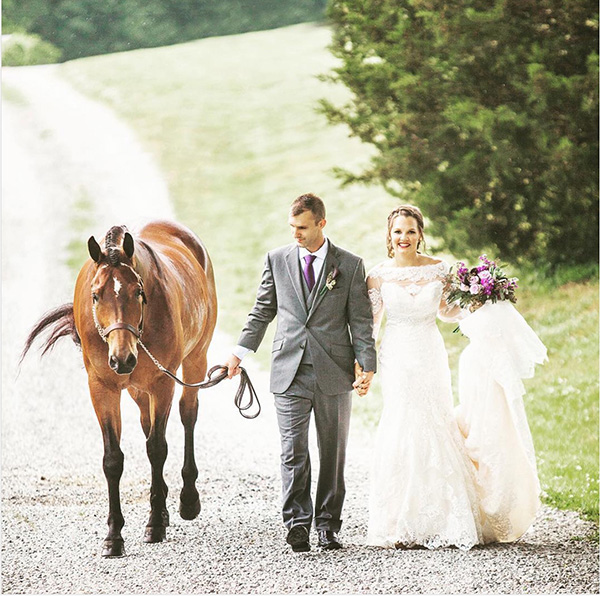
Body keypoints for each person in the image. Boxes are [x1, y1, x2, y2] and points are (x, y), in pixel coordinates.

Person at [364, 205, 545, 550]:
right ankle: (401, 518)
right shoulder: (378, 276)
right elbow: (372, 327)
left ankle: (448, 516)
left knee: (436, 420)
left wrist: (480, 301)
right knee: (402, 420)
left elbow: (448, 312)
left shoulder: (439, 270)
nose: (404, 238)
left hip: (430, 353)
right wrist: (364, 366)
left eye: (411, 231)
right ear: (389, 236)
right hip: (397, 356)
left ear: (420, 235)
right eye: (398, 232)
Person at [225, 193, 377, 553]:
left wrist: (367, 363)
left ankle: (327, 526)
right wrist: (239, 353)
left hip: (334, 372)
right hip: (289, 370)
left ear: (321, 224)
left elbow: (361, 321)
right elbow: (262, 311)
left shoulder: (350, 265)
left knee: (332, 452)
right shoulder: (276, 260)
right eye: (292, 227)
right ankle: (296, 524)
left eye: (303, 228)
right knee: (293, 451)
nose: (295, 233)